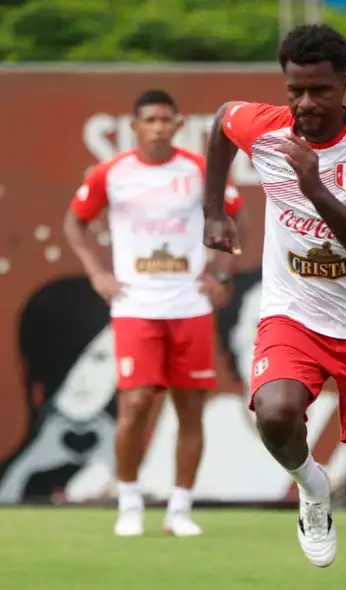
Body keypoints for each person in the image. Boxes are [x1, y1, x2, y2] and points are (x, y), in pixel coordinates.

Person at [200, 24, 346, 590]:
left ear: (344, 84)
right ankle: (311, 484)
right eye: (295, 90)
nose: (305, 104)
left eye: (319, 91)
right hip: (293, 311)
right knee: (273, 413)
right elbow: (223, 120)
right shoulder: (267, 126)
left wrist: (315, 187)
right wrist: (214, 212)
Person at [63, 89, 245, 537]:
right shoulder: (113, 173)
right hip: (136, 306)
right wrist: (96, 275)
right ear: (135, 126)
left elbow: (234, 215)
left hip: (190, 305)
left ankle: (179, 509)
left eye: (166, 120)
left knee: (190, 407)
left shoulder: (201, 170)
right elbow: (75, 223)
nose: (158, 128)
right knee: (137, 402)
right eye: (150, 120)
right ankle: (129, 501)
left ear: (179, 125)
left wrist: (220, 273)